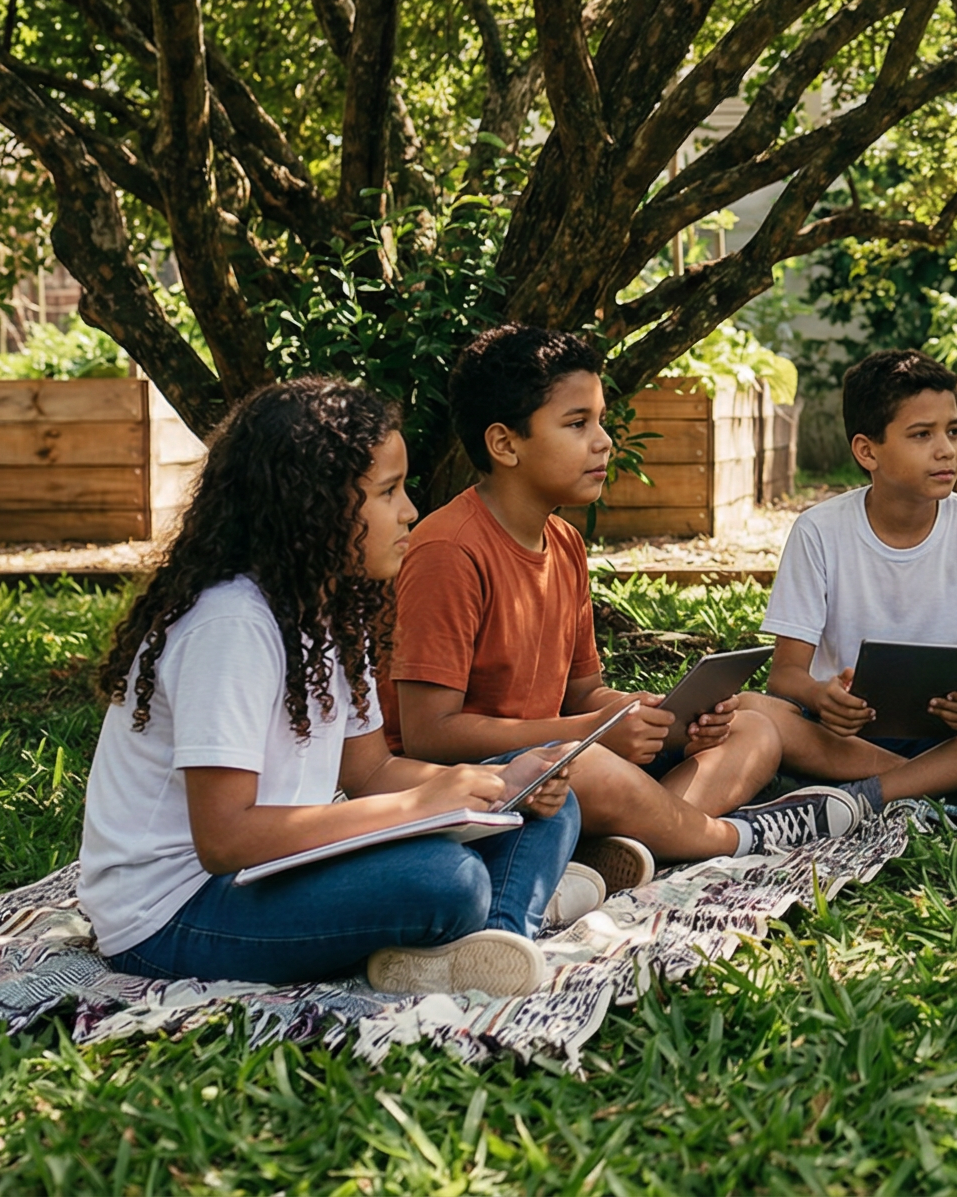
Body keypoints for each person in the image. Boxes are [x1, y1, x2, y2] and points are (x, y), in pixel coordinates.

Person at [80, 379, 590, 997]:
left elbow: (370, 772)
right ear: (313, 508)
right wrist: (420, 805)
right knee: (446, 880)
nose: (410, 511)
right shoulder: (232, 624)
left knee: (542, 790)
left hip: (270, 870)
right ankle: (503, 914)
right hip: (176, 914)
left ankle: (494, 941)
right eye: (387, 493)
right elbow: (225, 839)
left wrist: (505, 783)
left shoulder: (326, 613)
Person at [390, 324, 858, 883]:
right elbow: (430, 734)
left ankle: (624, 842)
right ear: (505, 444)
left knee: (754, 728)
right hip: (475, 780)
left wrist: (656, 713)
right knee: (587, 765)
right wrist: (590, 730)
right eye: (576, 423)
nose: (603, 441)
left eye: (600, 420)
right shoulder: (449, 549)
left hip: (561, 762)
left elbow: (585, 692)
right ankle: (732, 837)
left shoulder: (562, 542)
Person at [747, 350, 957, 816]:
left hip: (952, 730)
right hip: (846, 735)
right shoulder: (819, 531)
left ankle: (872, 791)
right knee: (751, 710)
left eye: (953, 431)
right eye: (922, 435)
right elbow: (785, 676)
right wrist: (820, 695)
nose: (946, 449)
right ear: (868, 451)